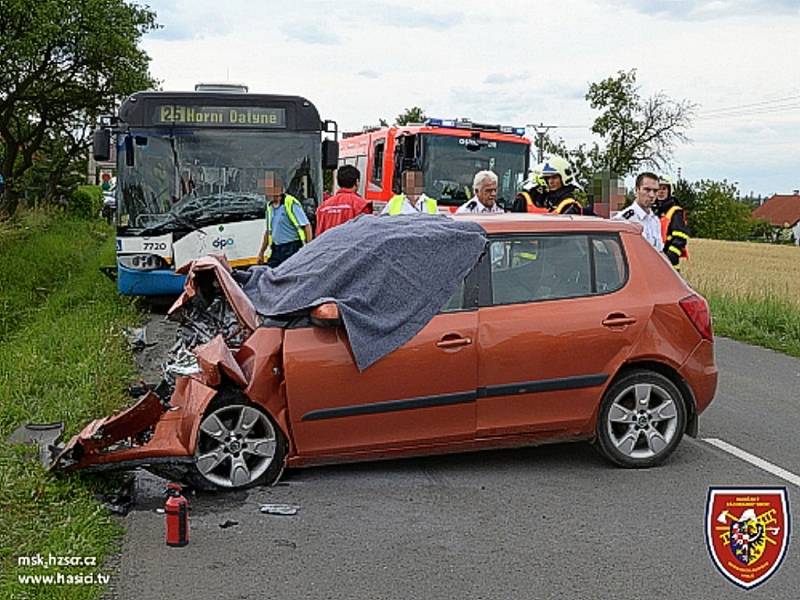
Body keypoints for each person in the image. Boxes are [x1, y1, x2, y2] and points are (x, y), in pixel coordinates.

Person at [257, 172, 313, 267]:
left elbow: (307, 226)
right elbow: (268, 231)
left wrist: (309, 249)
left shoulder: (290, 203)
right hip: (276, 249)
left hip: (291, 248)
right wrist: (261, 252)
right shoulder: (269, 206)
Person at [613, 172, 663, 251]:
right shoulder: (623, 219)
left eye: (655, 191)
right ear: (636, 190)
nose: (652, 195)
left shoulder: (655, 221)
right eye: (647, 190)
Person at [316, 165, 371, 235]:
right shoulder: (361, 205)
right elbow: (366, 233)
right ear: (357, 181)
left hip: (326, 245)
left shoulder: (322, 207)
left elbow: (318, 234)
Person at [655, 174, 689, 269]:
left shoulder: (675, 211)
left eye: (664, 188)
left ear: (669, 191)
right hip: (654, 259)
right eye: (658, 189)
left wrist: (671, 255)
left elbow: (680, 237)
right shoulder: (653, 211)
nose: (661, 192)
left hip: (669, 263)